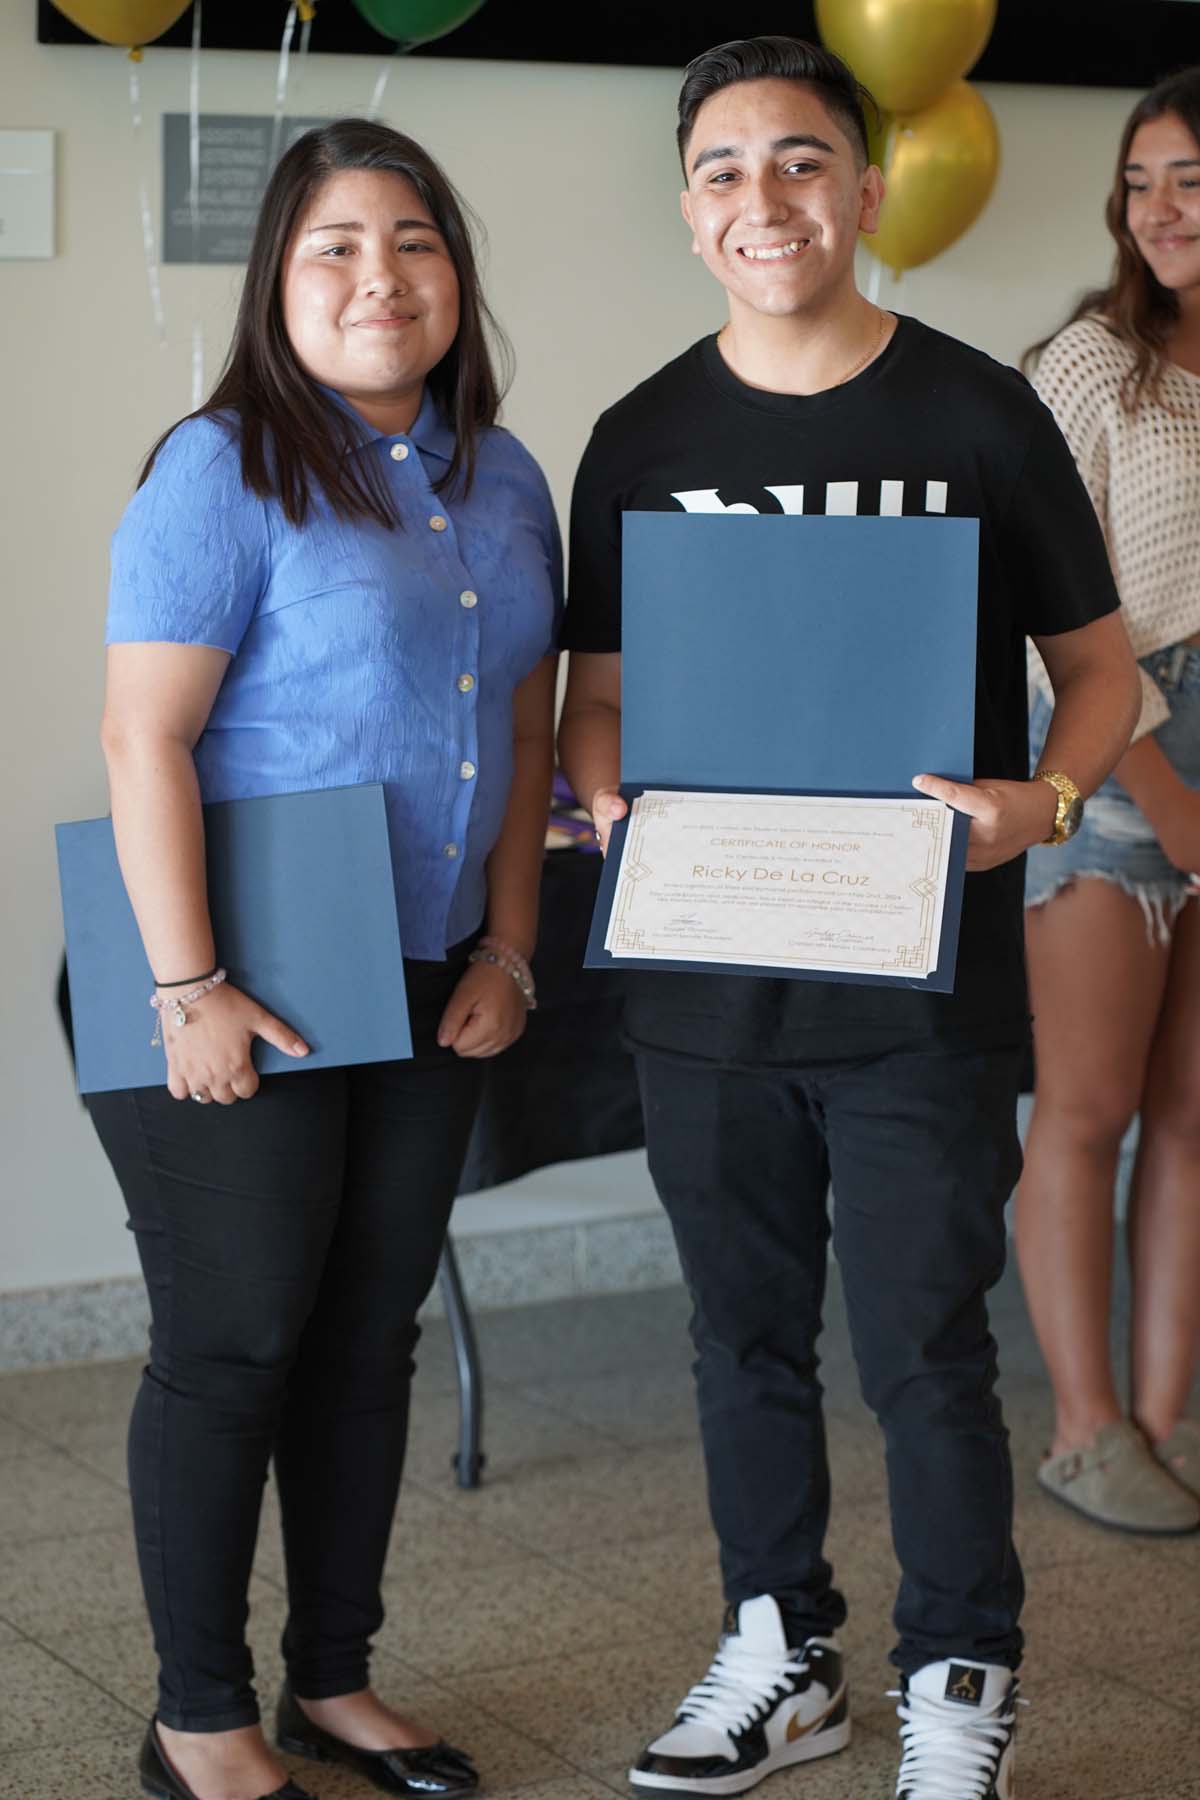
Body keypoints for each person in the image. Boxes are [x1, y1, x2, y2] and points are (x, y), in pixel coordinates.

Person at [557, 36, 1141, 1800]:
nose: (766, 200)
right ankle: (778, 1651)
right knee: (736, 1339)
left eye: (803, 161)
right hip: (707, 988)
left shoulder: (975, 411)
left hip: (913, 994)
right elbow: (599, 696)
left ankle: (959, 1682)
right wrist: (601, 793)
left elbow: (1104, 677)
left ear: (867, 189)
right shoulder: (643, 434)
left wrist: (1037, 807)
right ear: (687, 209)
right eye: (726, 170)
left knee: (925, 1350)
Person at [86, 119, 560, 1800]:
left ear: (457, 272)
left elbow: (519, 717)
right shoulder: (221, 465)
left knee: (368, 1340)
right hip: (232, 968)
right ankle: (197, 1719)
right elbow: (145, 739)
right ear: (279, 280)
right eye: (335, 246)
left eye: (415, 241)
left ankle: (331, 1685)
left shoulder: (503, 478)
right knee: (234, 1344)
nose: (382, 277)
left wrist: (511, 940)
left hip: (425, 968)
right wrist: (186, 990)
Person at [1016, 69, 1200, 1537]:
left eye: (1191, 177)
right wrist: (1152, 779)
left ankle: (1160, 1415)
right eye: (1141, 181)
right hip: (1118, 744)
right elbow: (1045, 612)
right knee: (1088, 1107)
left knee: (1195, 1117)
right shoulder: (1087, 366)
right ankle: (1084, 1432)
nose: (1160, 210)